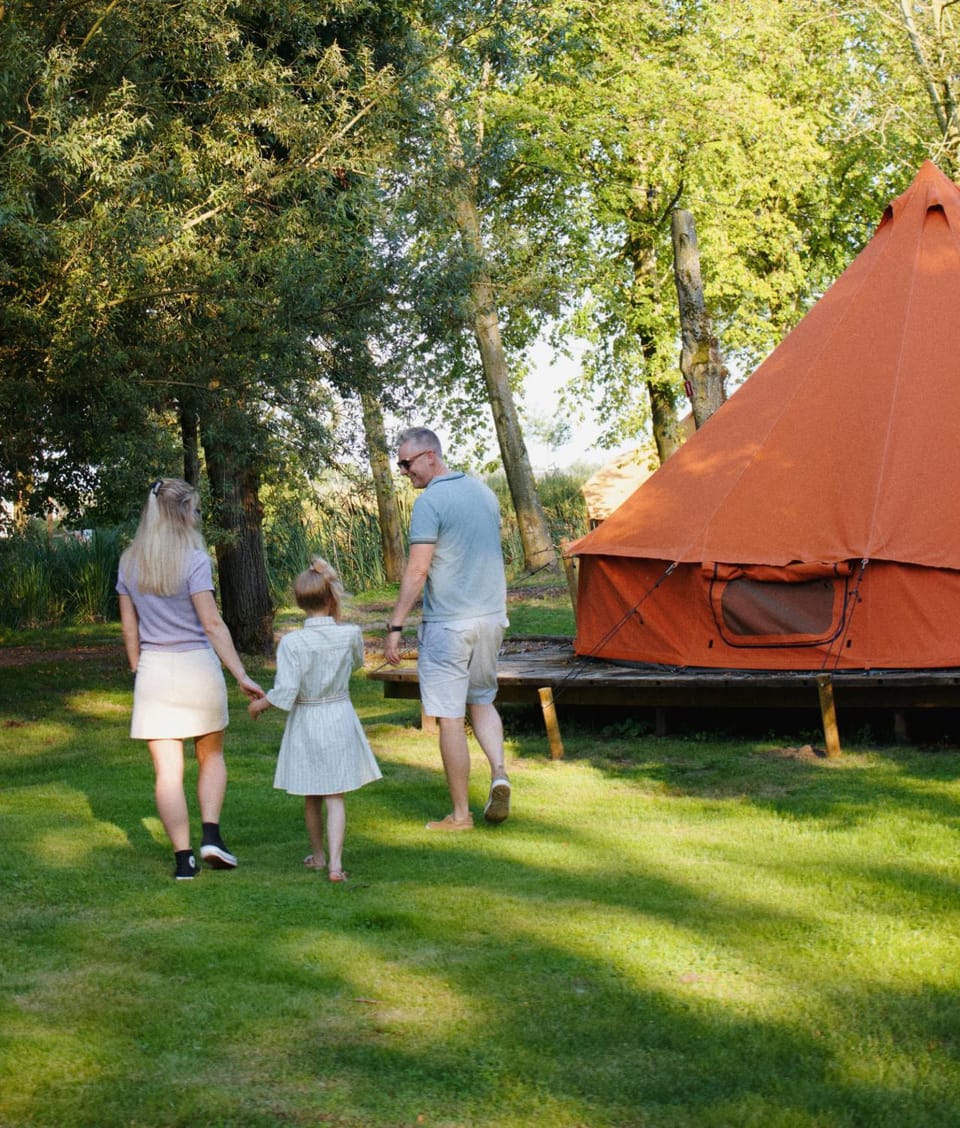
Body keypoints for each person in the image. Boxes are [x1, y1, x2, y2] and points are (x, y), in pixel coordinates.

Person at [117, 477, 265, 880]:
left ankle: (184, 860)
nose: (197, 516)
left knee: (167, 772)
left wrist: (137, 667)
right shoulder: (194, 560)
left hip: (155, 671)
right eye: (195, 509)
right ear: (183, 511)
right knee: (211, 756)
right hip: (197, 666)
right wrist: (240, 673)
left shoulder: (129, 561)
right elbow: (212, 623)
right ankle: (211, 836)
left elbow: (129, 627)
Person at [384, 426, 511, 831]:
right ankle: (500, 773)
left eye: (406, 463)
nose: (404, 471)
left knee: (451, 718)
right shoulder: (483, 492)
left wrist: (396, 625)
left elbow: (418, 570)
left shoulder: (431, 501)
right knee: (483, 700)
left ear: (430, 456)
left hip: (449, 625)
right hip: (491, 618)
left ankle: (460, 815)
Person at [248, 557, 381, 882]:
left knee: (312, 793)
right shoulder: (349, 634)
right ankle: (336, 865)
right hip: (338, 714)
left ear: (299, 601)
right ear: (331, 597)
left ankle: (319, 856)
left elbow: (287, 690)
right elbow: (357, 664)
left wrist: (260, 704)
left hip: (307, 718)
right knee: (335, 795)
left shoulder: (292, 642)